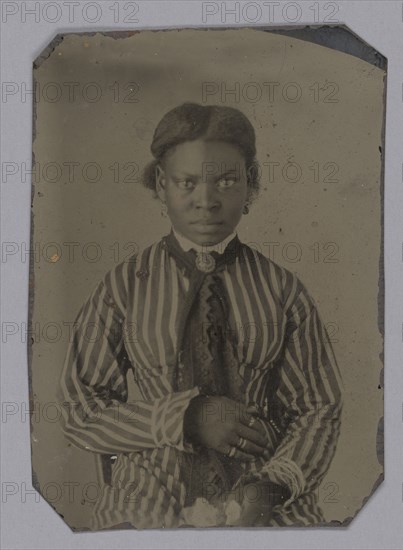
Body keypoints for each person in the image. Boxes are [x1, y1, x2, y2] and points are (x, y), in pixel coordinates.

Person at [59, 102, 343, 529]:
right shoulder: (124, 285)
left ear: (251, 184)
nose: (206, 201)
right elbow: (78, 409)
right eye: (187, 183)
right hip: (150, 492)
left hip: (261, 493)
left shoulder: (282, 290)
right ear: (161, 184)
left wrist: (272, 486)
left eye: (227, 181)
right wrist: (184, 418)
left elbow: (319, 407)